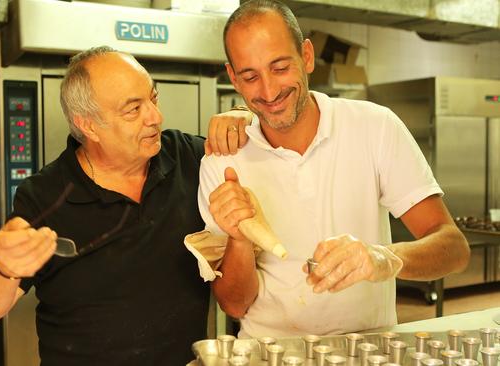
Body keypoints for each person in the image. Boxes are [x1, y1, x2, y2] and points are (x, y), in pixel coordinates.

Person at [195, 0, 470, 338]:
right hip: (271, 355)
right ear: (234, 79)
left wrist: (384, 259)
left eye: (280, 67)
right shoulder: (223, 162)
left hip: (368, 350)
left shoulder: (374, 127)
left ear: (306, 56)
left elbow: (454, 249)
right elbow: (234, 305)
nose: (269, 91)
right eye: (251, 76)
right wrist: (239, 238)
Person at [0, 46, 251, 365]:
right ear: (88, 125)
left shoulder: (189, 158)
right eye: (133, 110)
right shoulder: (46, 194)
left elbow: (261, 144)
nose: (155, 118)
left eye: (153, 99)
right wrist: (5, 268)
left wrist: (242, 115)